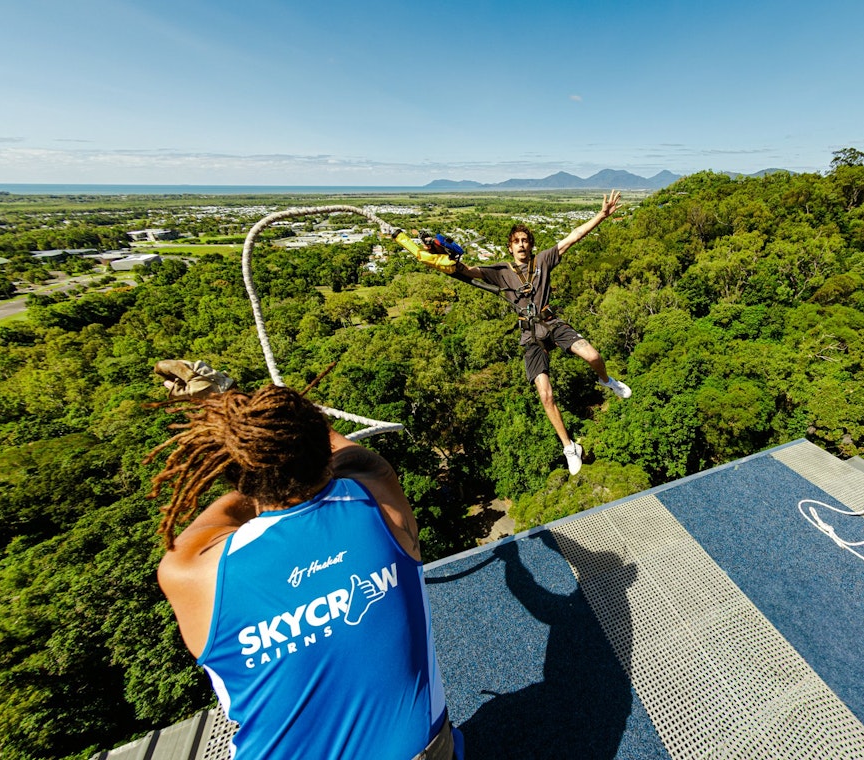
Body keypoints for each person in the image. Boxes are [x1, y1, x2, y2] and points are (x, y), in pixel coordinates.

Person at [146, 373, 459, 760]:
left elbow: (219, 519)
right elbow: (347, 454)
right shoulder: (377, 498)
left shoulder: (190, 573)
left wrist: (228, 419)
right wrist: (239, 404)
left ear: (237, 472)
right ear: (320, 452)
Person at [452, 191, 631, 475]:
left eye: (525, 241)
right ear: (510, 247)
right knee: (545, 395)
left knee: (593, 354)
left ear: (531, 245)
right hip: (530, 335)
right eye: (516, 242)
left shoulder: (543, 261)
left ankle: (606, 380)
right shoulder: (500, 271)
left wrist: (601, 216)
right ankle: (570, 447)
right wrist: (446, 259)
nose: (521, 245)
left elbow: (573, 237)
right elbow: (468, 271)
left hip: (551, 322)